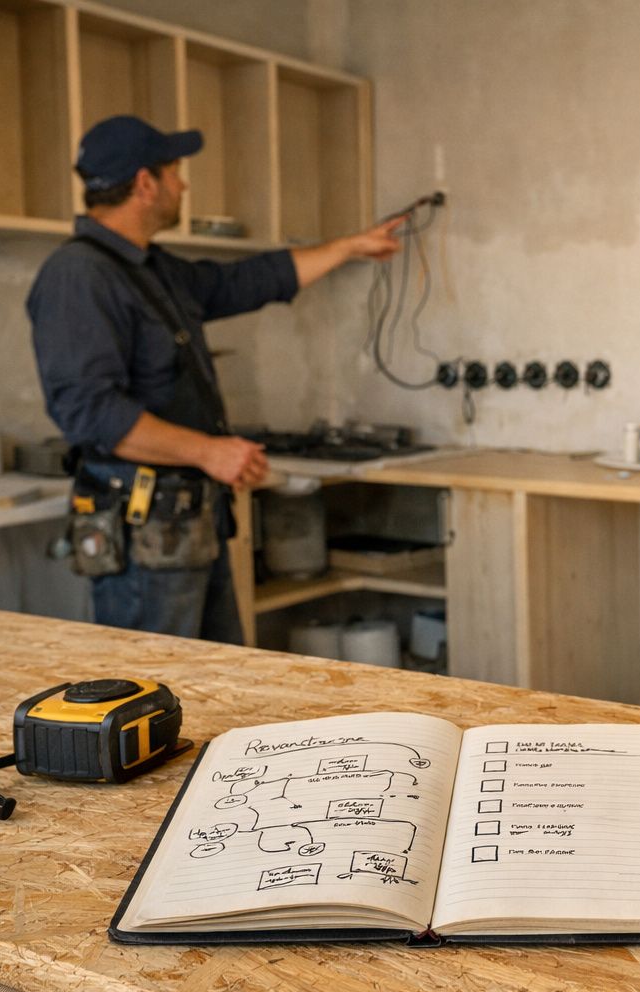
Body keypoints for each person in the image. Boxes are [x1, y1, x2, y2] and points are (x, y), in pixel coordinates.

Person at [28, 115, 403, 643]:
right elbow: (90, 411)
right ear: (144, 183)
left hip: (185, 527)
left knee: (217, 689)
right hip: (145, 538)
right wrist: (208, 451)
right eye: (175, 172)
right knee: (158, 696)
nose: (183, 185)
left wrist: (349, 247)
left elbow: (246, 282)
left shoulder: (151, 270)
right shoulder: (79, 276)